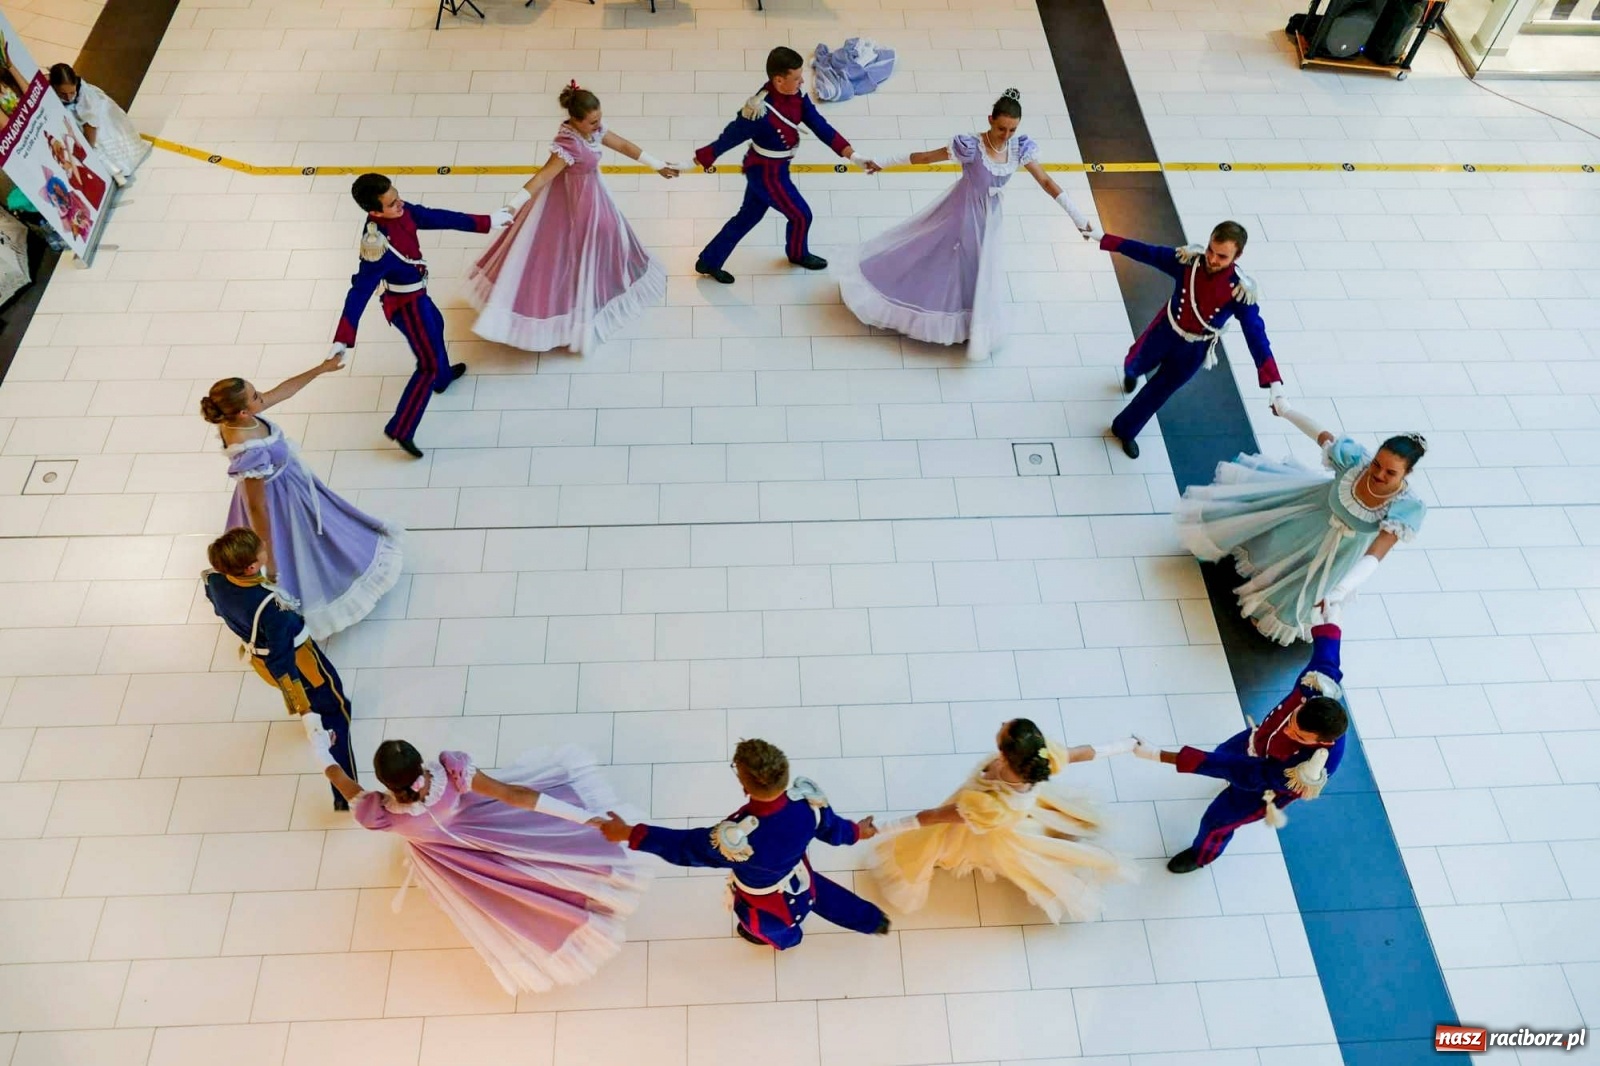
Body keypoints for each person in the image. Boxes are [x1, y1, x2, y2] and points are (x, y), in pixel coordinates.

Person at [306, 729, 647, 994]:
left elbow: (339, 778)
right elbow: (516, 795)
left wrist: (320, 747)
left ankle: (573, 919)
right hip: (490, 826)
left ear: (385, 784)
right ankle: (593, 882)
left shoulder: (380, 814)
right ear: (421, 764)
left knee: (512, 897)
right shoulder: (450, 773)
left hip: (450, 859)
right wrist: (585, 819)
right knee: (542, 854)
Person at [841, 89, 1094, 361]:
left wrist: (1078, 218)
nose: (1006, 135)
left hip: (990, 216)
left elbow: (1046, 181)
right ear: (990, 120)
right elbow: (926, 157)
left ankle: (971, 318)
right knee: (949, 254)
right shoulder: (970, 146)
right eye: (1001, 128)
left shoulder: (1019, 148)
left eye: (1012, 129)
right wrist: (883, 162)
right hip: (962, 211)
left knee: (980, 264)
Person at [1175, 397, 1427, 645]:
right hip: (1308, 515)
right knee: (1272, 541)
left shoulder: (1405, 506)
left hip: (1341, 551)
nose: (1379, 474)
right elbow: (1320, 435)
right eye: (1376, 464)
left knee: (1307, 584)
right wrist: (1286, 411)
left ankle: (1273, 609)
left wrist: (1340, 590)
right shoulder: (1353, 461)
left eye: (1391, 472)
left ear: (1408, 473)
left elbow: (1375, 554)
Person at [595, 738, 889, 950]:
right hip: (800, 873)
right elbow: (834, 829)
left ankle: (790, 939)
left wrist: (628, 833)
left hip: (765, 900)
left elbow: (683, 846)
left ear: (744, 785)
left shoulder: (736, 838)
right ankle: (873, 921)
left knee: (770, 927)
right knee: (820, 894)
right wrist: (857, 832)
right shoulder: (808, 806)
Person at [1129, 606, 1349, 872]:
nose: (1289, 729)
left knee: (1218, 820)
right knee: (1224, 752)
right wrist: (1331, 618)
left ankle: (1202, 855)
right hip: (1255, 741)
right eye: (1294, 719)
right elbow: (1327, 658)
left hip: (1262, 786)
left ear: (1321, 741)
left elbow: (1240, 771)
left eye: (1299, 735)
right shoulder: (1316, 686)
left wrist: (1158, 754)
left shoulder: (1300, 770)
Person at [201, 365, 403, 640]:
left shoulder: (240, 417)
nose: (262, 396)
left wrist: (322, 369)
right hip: (279, 502)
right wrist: (268, 556)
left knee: (322, 527)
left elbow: (282, 391)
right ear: (243, 412)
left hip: (291, 483)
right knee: (299, 543)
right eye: (255, 395)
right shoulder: (248, 450)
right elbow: (257, 507)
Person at [467, 81, 670, 354]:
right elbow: (542, 176)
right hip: (574, 201)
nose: (598, 126)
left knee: (608, 232)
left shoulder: (591, 132)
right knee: (570, 248)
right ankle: (576, 302)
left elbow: (621, 144)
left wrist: (656, 164)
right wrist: (512, 207)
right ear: (575, 120)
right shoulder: (567, 146)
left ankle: (599, 281)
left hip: (592, 192)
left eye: (599, 119)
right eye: (592, 122)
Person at [870, 719, 1131, 923]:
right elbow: (1083, 752)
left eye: (1003, 730)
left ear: (1004, 756)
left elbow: (934, 817)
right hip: (1007, 815)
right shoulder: (1040, 757)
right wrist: (1126, 746)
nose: (1001, 724)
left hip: (992, 827)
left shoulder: (989, 806)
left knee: (937, 842)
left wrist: (882, 826)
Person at [332, 173, 512, 458]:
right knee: (426, 364)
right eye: (392, 204)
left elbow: (437, 217)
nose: (400, 203)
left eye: (397, 195)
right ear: (374, 212)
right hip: (406, 306)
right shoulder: (376, 246)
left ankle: (442, 378)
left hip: (417, 295)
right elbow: (359, 291)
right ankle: (402, 428)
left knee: (437, 325)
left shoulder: (401, 211)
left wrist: (487, 221)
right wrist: (343, 338)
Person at [691, 46, 878, 285]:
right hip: (767, 173)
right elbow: (730, 137)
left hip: (773, 167)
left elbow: (819, 125)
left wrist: (853, 155)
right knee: (801, 215)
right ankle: (797, 253)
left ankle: (709, 260)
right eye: (797, 78)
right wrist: (698, 159)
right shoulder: (758, 110)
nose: (803, 82)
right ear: (779, 80)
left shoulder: (796, 95)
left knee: (747, 218)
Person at [203, 528, 359, 811]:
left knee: (313, 698)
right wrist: (303, 709)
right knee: (335, 711)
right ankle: (345, 794)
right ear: (252, 566)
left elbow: (218, 607)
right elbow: (283, 659)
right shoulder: (271, 607)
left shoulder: (213, 580)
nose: (265, 544)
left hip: (258, 661)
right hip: (299, 661)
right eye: (260, 547)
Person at [1099, 221, 1282, 459]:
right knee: (1137, 360)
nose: (1212, 259)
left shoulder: (1239, 290)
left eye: (1222, 257)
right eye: (1210, 250)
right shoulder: (1188, 263)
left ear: (1238, 255)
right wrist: (1104, 239)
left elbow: (1256, 333)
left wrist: (1273, 382)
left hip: (1194, 350)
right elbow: (1147, 252)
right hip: (1165, 330)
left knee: (1159, 390)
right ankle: (1131, 373)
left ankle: (1125, 429)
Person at [48, 64, 152, 186]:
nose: (69, 97)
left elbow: (91, 126)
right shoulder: (49, 86)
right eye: (63, 94)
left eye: (72, 92)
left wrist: (88, 148)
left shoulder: (87, 96)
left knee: (98, 141)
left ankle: (116, 170)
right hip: (73, 115)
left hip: (95, 117)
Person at [45, 128, 106, 210]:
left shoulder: (73, 158)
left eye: (63, 149)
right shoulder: (70, 174)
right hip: (96, 197)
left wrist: (73, 136)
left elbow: (80, 150)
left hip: (101, 185)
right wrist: (67, 146)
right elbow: (77, 177)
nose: (65, 152)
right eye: (62, 151)